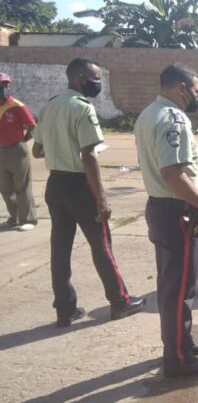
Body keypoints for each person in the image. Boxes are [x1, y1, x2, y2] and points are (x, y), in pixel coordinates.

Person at [32, 58, 145, 328]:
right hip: (80, 187)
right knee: (101, 245)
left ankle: (65, 310)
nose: (98, 83)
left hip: (55, 185)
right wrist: (101, 198)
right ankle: (120, 302)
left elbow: (37, 151)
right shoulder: (82, 108)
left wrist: (59, 146)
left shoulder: (50, 106)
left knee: (60, 248)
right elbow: (88, 155)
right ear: (80, 77)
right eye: (95, 78)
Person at [134, 63, 198, 377]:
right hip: (177, 211)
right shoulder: (173, 118)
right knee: (180, 289)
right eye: (196, 90)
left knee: (174, 285)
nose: (197, 96)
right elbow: (173, 174)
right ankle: (179, 360)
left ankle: (182, 343)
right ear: (181, 88)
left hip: (163, 208)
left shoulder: (149, 113)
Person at [0, 72, 37, 231]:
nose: (4, 88)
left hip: (17, 149)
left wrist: (22, 141)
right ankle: (13, 217)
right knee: (5, 188)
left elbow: (32, 127)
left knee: (22, 186)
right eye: (1, 85)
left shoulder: (17, 106)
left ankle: (28, 219)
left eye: (6, 85)